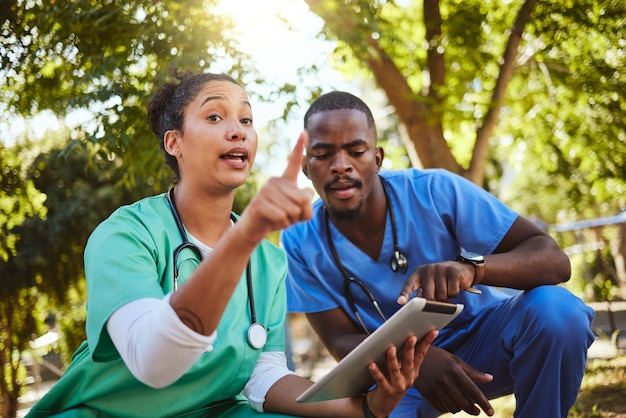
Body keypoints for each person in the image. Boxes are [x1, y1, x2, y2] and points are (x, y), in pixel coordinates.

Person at [26, 72, 437, 418]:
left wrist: (366, 408)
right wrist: (245, 236)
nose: (238, 129)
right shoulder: (127, 235)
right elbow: (152, 362)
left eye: (246, 118)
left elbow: (264, 376)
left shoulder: (269, 264)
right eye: (215, 116)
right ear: (175, 143)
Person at [281, 91, 596, 418]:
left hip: (485, 344)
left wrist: (473, 269)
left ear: (377, 158)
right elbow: (339, 339)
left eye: (356, 151)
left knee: (557, 312)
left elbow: (554, 260)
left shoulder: (435, 191)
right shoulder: (299, 239)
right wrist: (415, 359)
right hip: (396, 375)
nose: (340, 166)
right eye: (322, 154)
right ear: (305, 166)